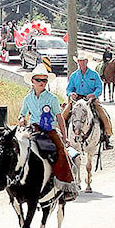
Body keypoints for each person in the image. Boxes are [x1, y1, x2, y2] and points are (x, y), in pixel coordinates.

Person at [19, 64, 79, 201]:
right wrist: (22, 119)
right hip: (33, 129)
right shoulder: (27, 99)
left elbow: (59, 117)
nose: (42, 83)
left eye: (44, 81)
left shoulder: (52, 99)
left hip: (49, 130)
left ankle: (68, 184)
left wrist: (64, 136)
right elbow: (22, 114)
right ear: (32, 81)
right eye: (39, 80)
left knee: (62, 152)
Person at [64, 56, 113, 149]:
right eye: (79, 61)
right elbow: (69, 88)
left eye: (83, 61)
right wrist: (71, 93)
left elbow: (99, 87)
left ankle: (106, 137)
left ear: (86, 61)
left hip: (91, 100)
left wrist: (94, 94)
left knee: (104, 115)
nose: (81, 63)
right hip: (77, 100)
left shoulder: (94, 74)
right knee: (63, 116)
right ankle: (63, 137)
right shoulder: (74, 75)